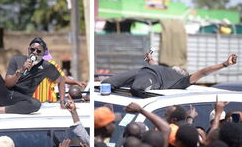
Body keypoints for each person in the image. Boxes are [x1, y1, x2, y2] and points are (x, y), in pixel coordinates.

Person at [102, 53, 238, 97]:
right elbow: (153, 64)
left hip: (152, 79)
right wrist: (149, 57)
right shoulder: (164, 68)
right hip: (142, 71)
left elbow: (203, 72)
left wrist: (224, 64)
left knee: (137, 88)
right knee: (106, 83)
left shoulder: (183, 80)